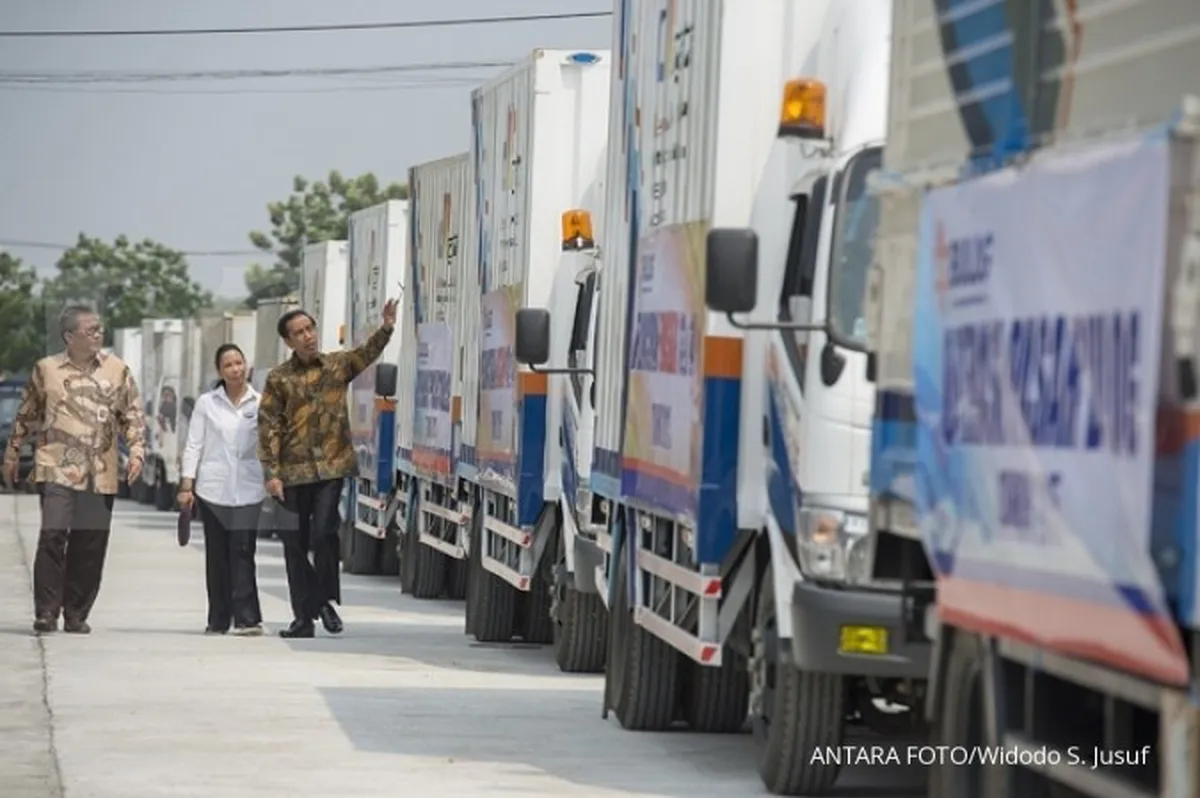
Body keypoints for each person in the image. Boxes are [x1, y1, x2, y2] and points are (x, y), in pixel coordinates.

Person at [258, 299, 397, 638]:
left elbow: (366, 354)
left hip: (331, 469)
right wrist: (271, 474)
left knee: (323, 535)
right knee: (294, 544)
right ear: (288, 341)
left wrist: (387, 328)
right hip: (292, 473)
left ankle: (321, 601)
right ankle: (306, 616)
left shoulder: (337, 366)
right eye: (299, 333)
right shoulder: (279, 379)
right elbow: (269, 426)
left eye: (310, 329)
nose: (307, 337)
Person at [2, 305, 144, 634]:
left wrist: (136, 452)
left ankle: (76, 612)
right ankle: (46, 612)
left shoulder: (117, 370)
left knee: (90, 542)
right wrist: (12, 454)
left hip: (102, 470)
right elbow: (26, 415)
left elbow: (131, 415)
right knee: (53, 535)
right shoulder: (45, 370)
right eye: (91, 330)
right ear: (69, 336)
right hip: (55, 467)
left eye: (100, 329)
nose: (99, 334)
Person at [178, 343, 266, 636]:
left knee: (242, 550)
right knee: (217, 555)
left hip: (249, 488)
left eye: (239, 363)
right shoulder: (207, 403)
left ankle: (247, 618)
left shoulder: (260, 402)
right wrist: (187, 484)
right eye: (228, 365)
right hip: (213, 489)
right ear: (220, 371)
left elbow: (269, 446)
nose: (235, 369)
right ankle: (218, 619)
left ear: (247, 366)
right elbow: (194, 444)